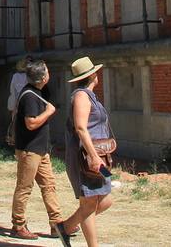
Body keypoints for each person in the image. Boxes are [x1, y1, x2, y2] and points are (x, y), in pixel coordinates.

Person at [58, 57, 114, 247]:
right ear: (93, 75)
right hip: (86, 157)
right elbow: (81, 128)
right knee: (89, 202)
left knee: (107, 199)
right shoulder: (81, 96)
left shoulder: (90, 96)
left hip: (101, 157)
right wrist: (93, 156)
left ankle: (65, 227)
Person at [9, 60, 65, 240]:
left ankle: (57, 225)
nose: (49, 74)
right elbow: (31, 123)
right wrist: (49, 112)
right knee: (25, 187)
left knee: (49, 185)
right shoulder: (30, 96)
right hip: (29, 150)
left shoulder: (36, 92)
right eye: (47, 71)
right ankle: (18, 225)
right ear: (42, 77)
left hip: (40, 149)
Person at [7, 56, 31, 147]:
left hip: (15, 102)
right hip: (20, 103)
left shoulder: (15, 76)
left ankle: (15, 144)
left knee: (15, 124)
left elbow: (13, 90)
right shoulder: (26, 77)